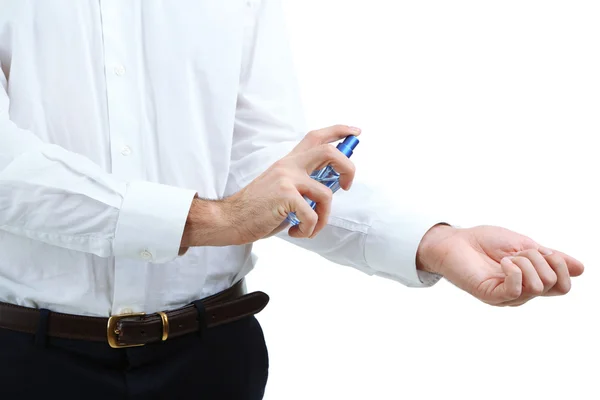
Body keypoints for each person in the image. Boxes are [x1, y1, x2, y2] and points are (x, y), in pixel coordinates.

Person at [0, 1, 584, 399]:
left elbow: (264, 165)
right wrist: (215, 220)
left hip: (211, 359)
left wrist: (434, 243)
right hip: (27, 360)